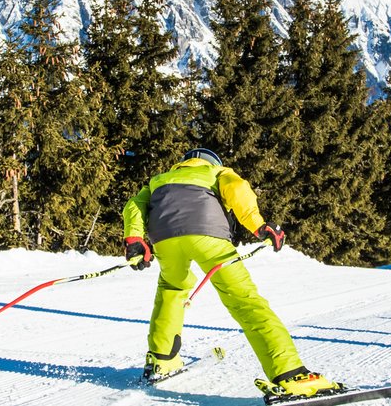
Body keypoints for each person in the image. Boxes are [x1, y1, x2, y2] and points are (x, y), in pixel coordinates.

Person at [121, 148, 345, 403]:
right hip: (209, 235)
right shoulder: (217, 171)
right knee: (245, 300)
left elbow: (134, 206)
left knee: (172, 288)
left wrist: (135, 241)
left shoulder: (159, 180)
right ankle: (291, 374)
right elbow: (237, 190)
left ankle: (162, 360)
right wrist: (259, 226)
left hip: (165, 239)